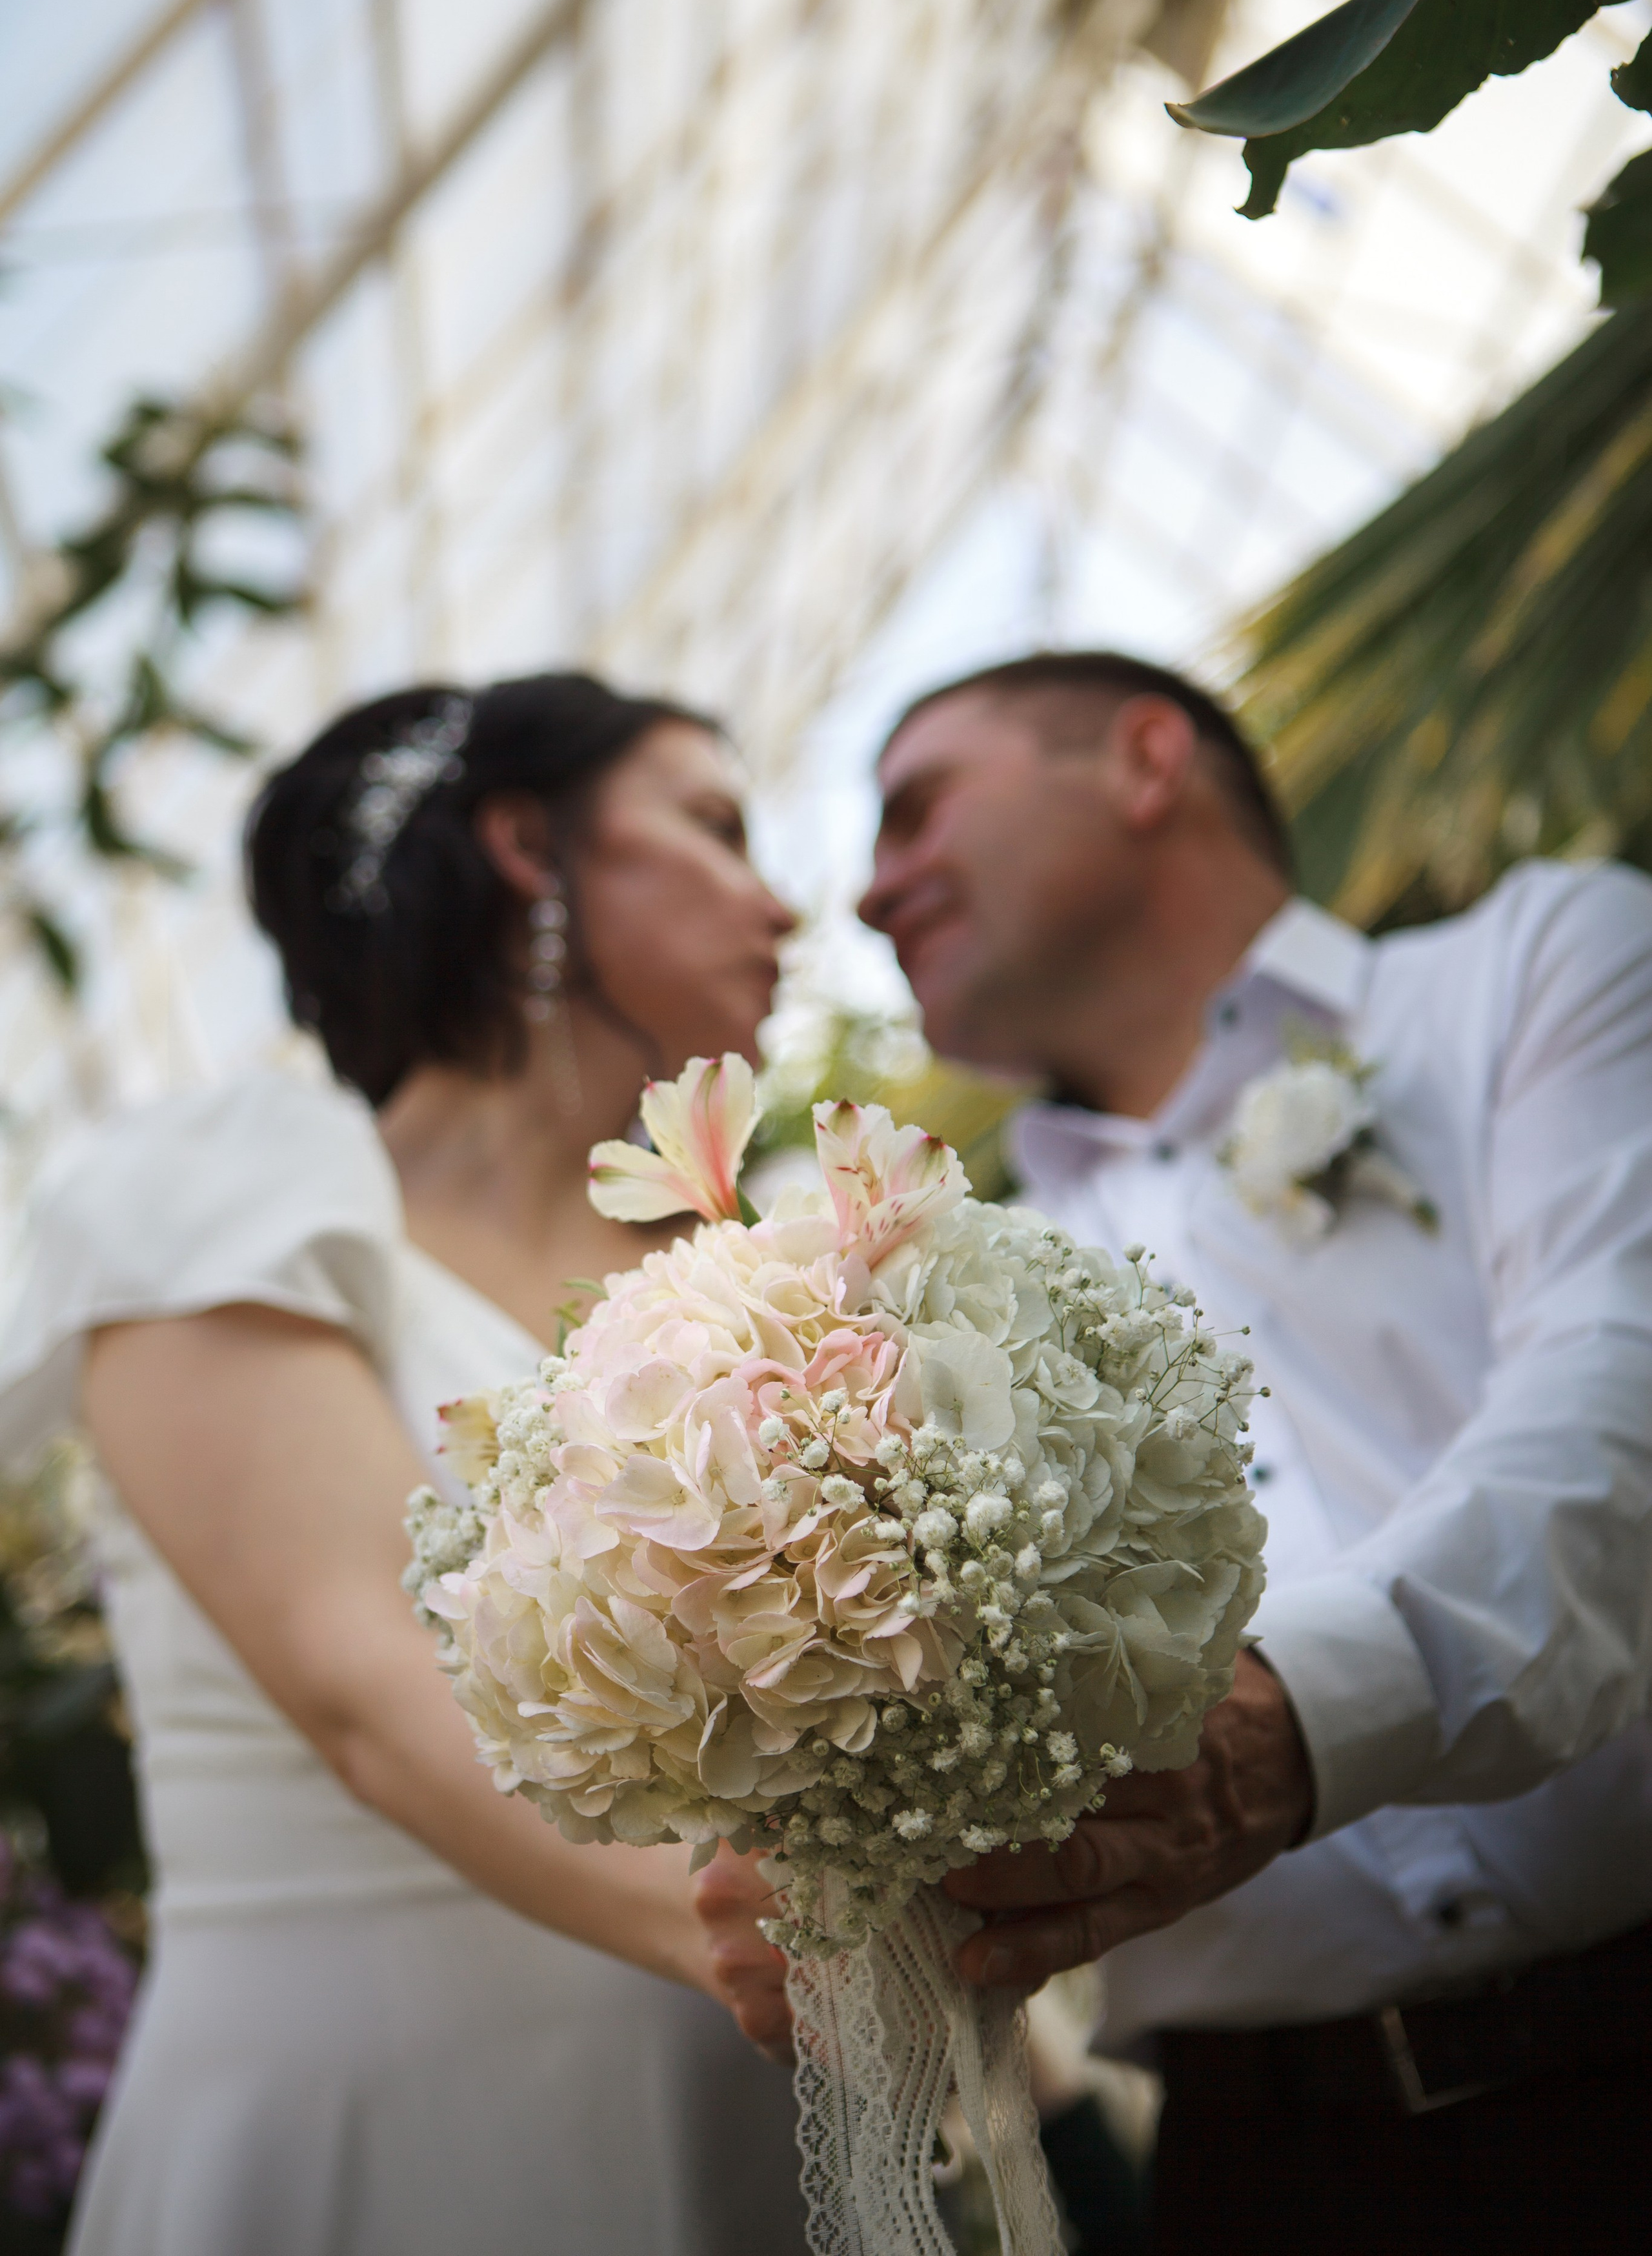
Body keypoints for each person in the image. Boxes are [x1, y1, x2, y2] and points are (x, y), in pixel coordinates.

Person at [697, 648, 1652, 2253]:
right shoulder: (926, 1288)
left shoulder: (1544, 968)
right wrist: (854, 1865)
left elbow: (1618, 1395)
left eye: (917, 808)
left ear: (1146, 760)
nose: (867, 892)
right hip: (1270, 2173)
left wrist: (1292, 1726)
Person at [0, 673, 807, 2256]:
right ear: (524, 847)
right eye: (713, 828)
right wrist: (825, 1951)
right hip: (374, 2126)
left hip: (742, 2126)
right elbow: (369, 1689)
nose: (778, 903)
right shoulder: (234, 1191)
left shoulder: (758, 1279)